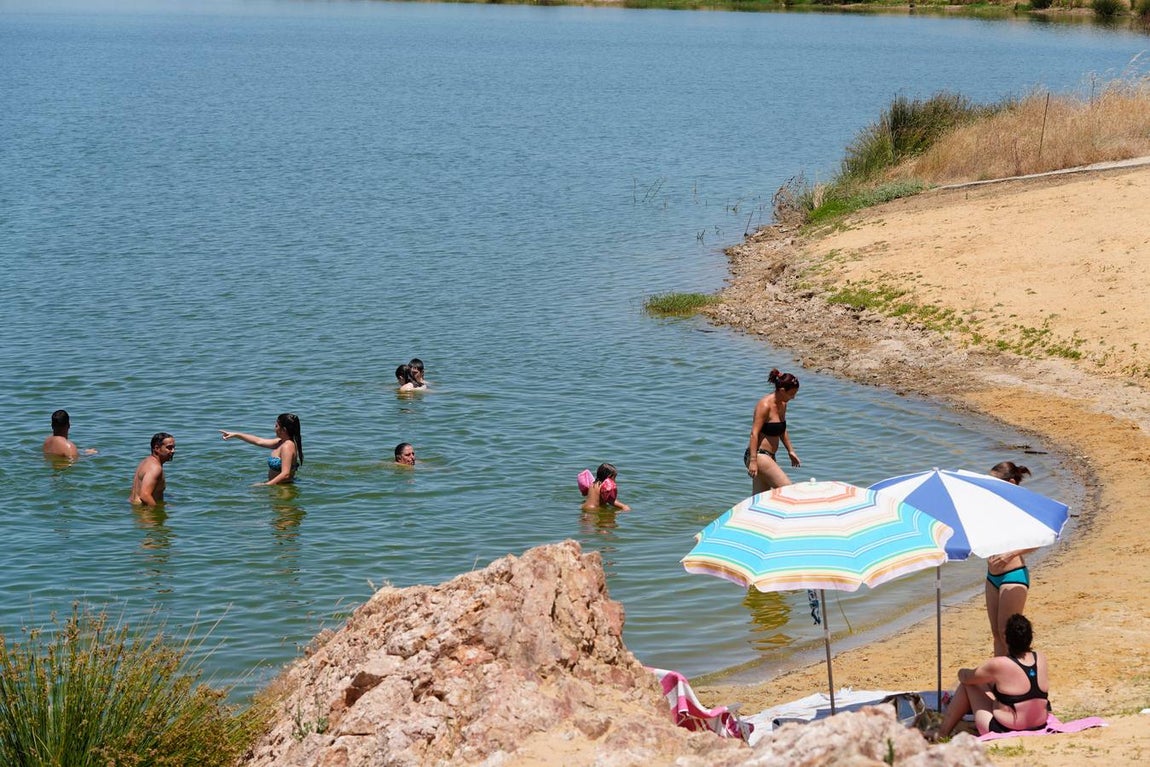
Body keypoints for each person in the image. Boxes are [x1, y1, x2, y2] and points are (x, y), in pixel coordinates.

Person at [937, 613, 1050, 738]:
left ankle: (942, 733)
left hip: (1003, 729)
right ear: (1030, 637)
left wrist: (961, 671)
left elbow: (966, 678)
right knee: (991, 685)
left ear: (1006, 638)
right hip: (1039, 724)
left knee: (968, 685)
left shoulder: (999, 664)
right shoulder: (1040, 658)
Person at [985, 461, 1036, 656]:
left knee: (1009, 636)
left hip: (1013, 575)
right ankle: (1000, 679)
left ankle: (1016, 679)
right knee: (996, 634)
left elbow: (1038, 540)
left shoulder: (1021, 509)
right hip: (991, 576)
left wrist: (1011, 553)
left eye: (993, 482)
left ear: (1011, 483)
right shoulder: (990, 509)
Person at [745, 368, 801, 494]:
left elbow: (782, 429)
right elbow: (754, 433)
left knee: (760, 499)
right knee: (788, 490)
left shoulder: (783, 405)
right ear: (782, 390)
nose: (794, 397)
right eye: (791, 394)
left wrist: (790, 451)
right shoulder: (764, 405)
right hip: (758, 455)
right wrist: (753, 461)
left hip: (770, 457)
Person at [219, 413, 303, 485]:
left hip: (285, 489)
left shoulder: (287, 446)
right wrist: (236, 435)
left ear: (283, 430)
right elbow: (258, 441)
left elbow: (286, 474)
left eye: (276, 426)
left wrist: (265, 485)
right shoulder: (280, 442)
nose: (274, 428)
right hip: (277, 487)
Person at [129, 432, 175, 506]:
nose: (173, 451)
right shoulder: (155, 468)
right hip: (146, 512)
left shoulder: (146, 461)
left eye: (173, 447)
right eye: (169, 448)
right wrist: (157, 510)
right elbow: (144, 495)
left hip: (136, 508)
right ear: (157, 448)